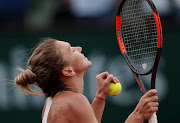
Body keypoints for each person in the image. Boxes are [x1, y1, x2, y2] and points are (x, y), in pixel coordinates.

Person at [14, 38, 159, 123]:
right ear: (68, 71)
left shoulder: (52, 103)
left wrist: (100, 96)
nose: (79, 48)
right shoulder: (75, 100)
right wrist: (138, 115)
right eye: (71, 50)